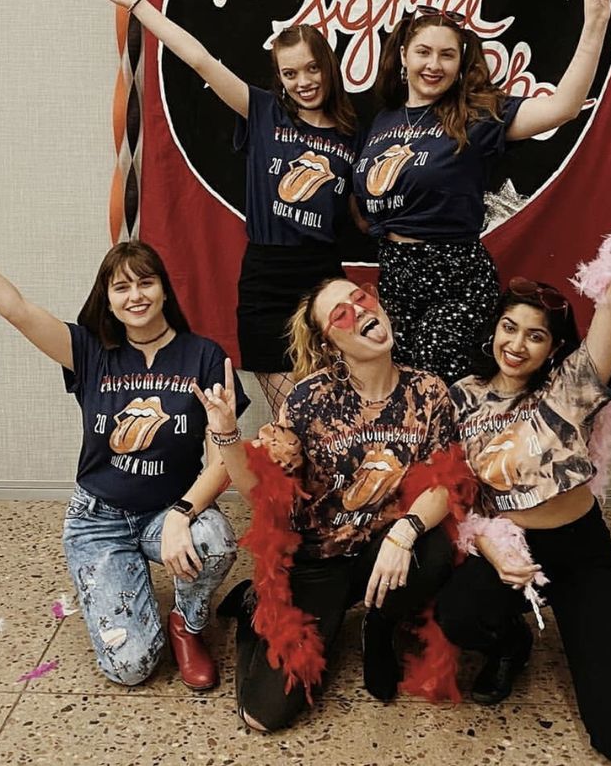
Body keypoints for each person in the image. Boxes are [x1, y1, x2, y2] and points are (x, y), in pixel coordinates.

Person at [431, 204, 611, 766]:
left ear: (553, 348)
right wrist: (488, 544)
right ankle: (511, 641)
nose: (517, 344)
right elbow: (457, 494)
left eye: (536, 336)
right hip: (510, 545)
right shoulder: (459, 396)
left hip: (581, 550)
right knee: (458, 617)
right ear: (493, 329)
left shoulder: (571, 388)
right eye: (508, 327)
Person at [191, 277, 464, 731]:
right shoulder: (310, 399)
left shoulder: (429, 391)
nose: (358, 311)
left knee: (434, 549)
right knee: (263, 716)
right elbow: (263, 488)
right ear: (331, 342)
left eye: (361, 298)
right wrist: (226, 434)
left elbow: (446, 479)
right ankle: (251, 608)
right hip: (318, 561)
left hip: (382, 551)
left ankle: (380, 625)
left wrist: (404, 530)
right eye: (341, 314)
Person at [88, 0, 362, 417]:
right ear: (279, 78)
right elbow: (198, 59)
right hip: (267, 276)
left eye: (313, 68)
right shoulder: (263, 111)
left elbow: (360, 210)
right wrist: (138, 4)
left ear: (328, 67)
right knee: (290, 415)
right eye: (290, 73)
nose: (304, 81)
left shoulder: (353, 132)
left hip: (324, 275)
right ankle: (295, 489)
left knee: (332, 409)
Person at [0, 241, 248, 690]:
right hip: (99, 521)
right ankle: (122, 581)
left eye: (146, 282)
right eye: (122, 287)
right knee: (131, 667)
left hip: (167, 512)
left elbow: (221, 464)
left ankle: (186, 624)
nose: (136, 296)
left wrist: (181, 514)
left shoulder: (204, 357)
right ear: (107, 299)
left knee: (215, 540)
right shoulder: (89, 350)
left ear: (165, 290)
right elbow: (16, 309)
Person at [353, 0, 611, 383]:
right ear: (404, 54)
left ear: (461, 63)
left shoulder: (478, 115)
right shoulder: (383, 119)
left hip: (453, 277)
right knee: (400, 400)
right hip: (394, 277)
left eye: (447, 54)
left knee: (438, 399)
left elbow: (562, 107)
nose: (434, 64)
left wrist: (594, 25)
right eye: (423, 51)